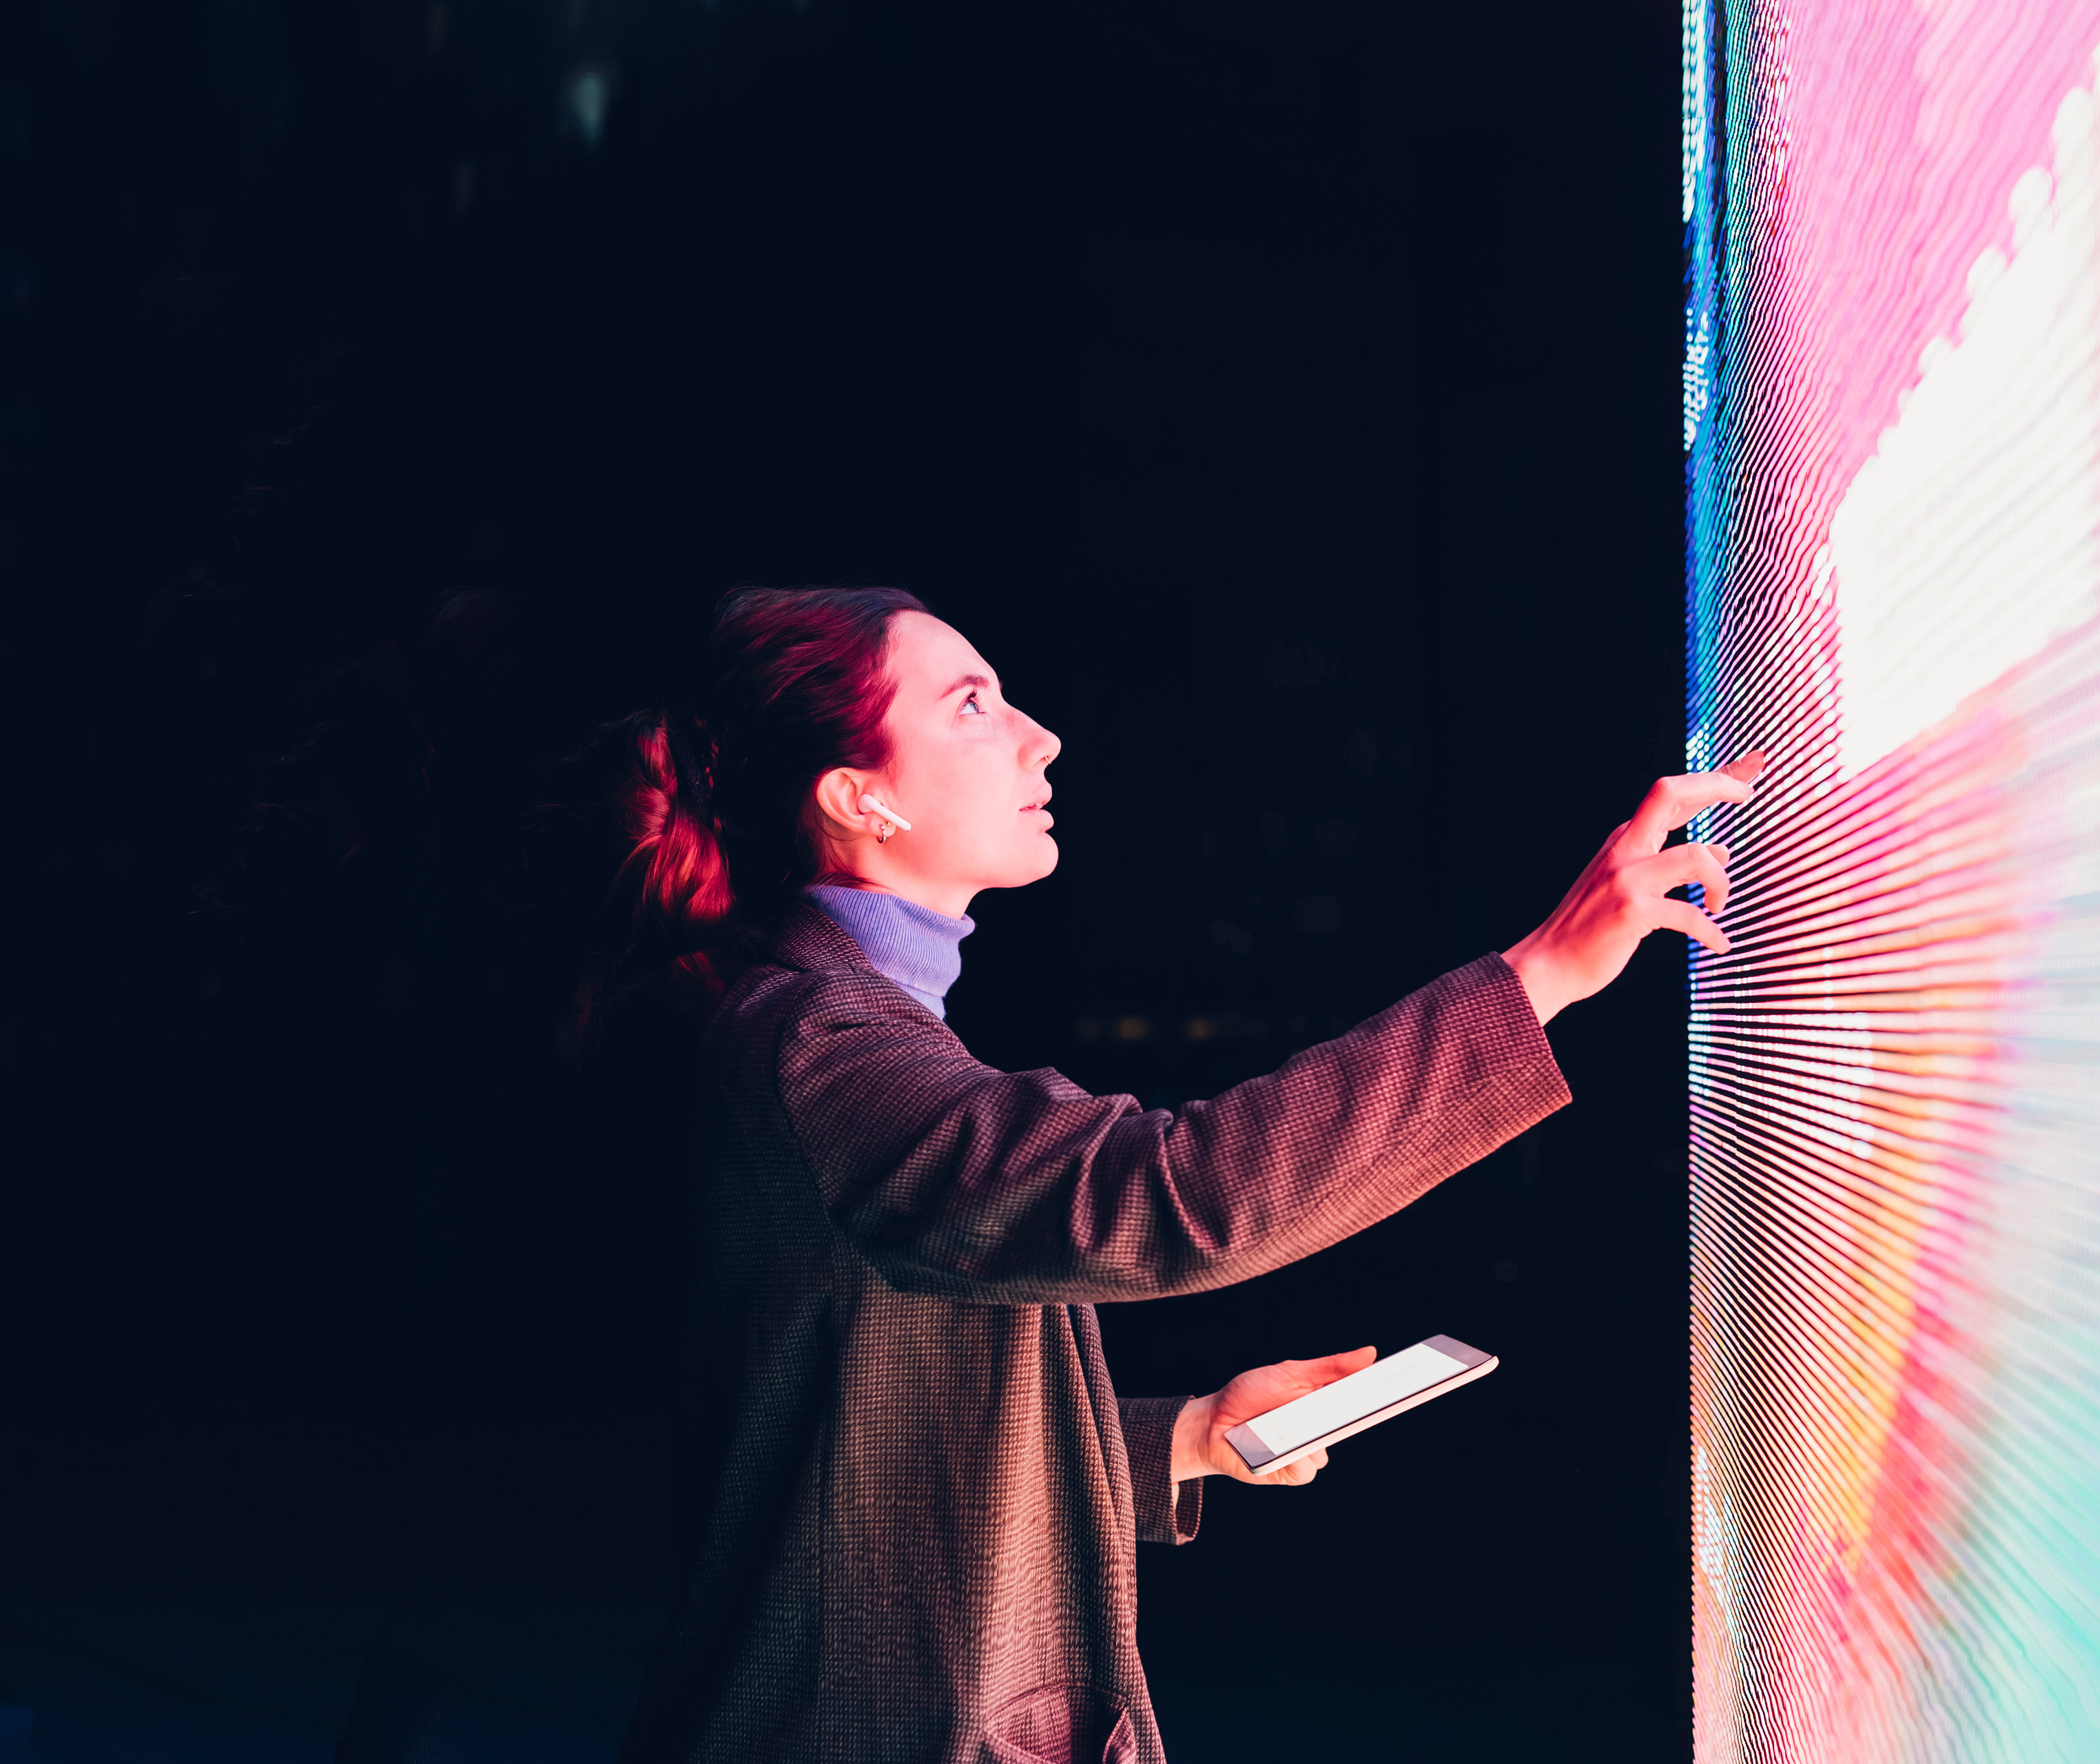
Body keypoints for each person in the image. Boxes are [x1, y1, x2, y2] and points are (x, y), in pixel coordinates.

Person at [608, 586, 1757, 1764]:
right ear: (862, 798)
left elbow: (883, 1433)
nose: (1038, 736)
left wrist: (1191, 1435)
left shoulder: (836, 1028)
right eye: (971, 704)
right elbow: (1171, 1197)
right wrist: (1543, 975)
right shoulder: (819, 1046)